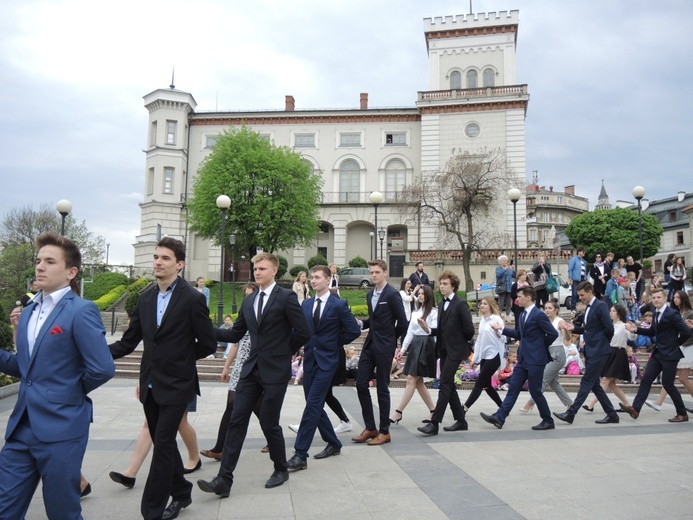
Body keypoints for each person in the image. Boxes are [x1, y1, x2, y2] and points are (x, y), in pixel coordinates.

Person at [1, 231, 115, 520]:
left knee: (62, 511)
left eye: (50, 261)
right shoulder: (27, 312)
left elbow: (102, 368)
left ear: (70, 272)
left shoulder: (81, 310)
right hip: (21, 428)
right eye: (39, 260)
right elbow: (26, 369)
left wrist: (66, 391)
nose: (40, 266)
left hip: (62, 428)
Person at [109, 237, 217, 520]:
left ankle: (151, 511)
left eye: (165, 258)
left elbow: (206, 344)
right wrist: (93, 354)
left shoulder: (192, 298)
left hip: (179, 384)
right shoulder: (145, 298)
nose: (158, 262)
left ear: (179, 265)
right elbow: (128, 343)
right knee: (162, 442)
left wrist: (178, 358)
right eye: (156, 257)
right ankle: (181, 491)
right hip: (151, 385)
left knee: (164, 443)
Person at [197, 252, 310, 498]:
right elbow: (235, 334)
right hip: (250, 370)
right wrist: (203, 329)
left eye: (262, 268)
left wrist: (283, 353)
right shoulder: (249, 301)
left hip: (275, 371)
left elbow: (303, 332)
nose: (257, 272)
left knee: (269, 423)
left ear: (274, 271)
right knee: (237, 420)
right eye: (255, 268)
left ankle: (281, 469)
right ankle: (223, 480)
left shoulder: (286, 297)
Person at [286, 265, 361, 471]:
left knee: (312, 405)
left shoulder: (338, 305)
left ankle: (300, 454)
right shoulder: (307, 304)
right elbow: (299, 330)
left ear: (328, 280)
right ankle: (334, 443)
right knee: (315, 405)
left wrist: (335, 343)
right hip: (309, 360)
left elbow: (354, 330)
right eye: (311, 277)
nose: (313, 280)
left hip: (328, 362)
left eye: (317, 277)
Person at [479, 287, 558, 431]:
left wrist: (540, 346)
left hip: (536, 359)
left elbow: (552, 333)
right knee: (513, 388)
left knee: (535, 391)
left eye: (520, 296)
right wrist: (501, 329)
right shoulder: (522, 314)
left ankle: (548, 420)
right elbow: (519, 334)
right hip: (523, 359)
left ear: (528, 297)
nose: (517, 299)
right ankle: (500, 417)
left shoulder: (538, 315)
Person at [351, 259, 409, 446]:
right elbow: (374, 319)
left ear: (385, 273)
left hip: (384, 347)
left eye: (377, 272)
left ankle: (385, 431)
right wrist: (362, 323)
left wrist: (392, 340)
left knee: (382, 388)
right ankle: (370, 427)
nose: (373, 275)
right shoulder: (370, 295)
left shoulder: (392, 295)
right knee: (360, 384)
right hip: (369, 345)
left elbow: (403, 322)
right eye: (371, 272)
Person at [200, 284, 259, 461]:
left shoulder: (264, 315)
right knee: (232, 403)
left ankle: (273, 440)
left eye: (251, 294)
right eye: (246, 295)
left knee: (261, 409)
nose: (248, 297)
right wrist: (227, 367)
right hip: (241, 364)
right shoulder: (244, 316)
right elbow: (235, 342)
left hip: (257, 365)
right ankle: (219, 448)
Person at [554, 281, 621, 426]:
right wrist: (574, 328)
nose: (581, 298)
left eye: (582, 295)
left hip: (599, 350)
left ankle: (571, 413)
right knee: (594, 385)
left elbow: (609, 328)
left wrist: (602, 342)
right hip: (591, 350)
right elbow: (590, 329)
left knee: (586, 381)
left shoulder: (600, 306)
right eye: (579, 295)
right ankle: (612, 414)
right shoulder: (589, 308)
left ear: (590, 292)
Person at [417, 271, 475, 435]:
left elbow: (469, 330)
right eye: (441, 284)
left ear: (453, 286)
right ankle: (461, 421)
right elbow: (442, 330)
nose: (441, 287)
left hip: (456, 350)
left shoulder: (460, 304)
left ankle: (434, 423)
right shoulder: (442, 304)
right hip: (443, 349)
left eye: (445, 284)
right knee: (449, 385)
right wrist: (428, 330)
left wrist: (458, 341)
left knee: (444, 383)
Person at [627, 288, 692, 422]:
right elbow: (652, 331)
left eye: (658, 297)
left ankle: (682, 414)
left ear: (665, 299)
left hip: (670, 355)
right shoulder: (656, 313)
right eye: (654, 298)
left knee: (668, 385)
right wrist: (637, 329)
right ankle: (635, 409)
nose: (656, 300)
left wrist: (675, 344)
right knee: (646, 380)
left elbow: (686, 332)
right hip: (658, 353)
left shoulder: (672, 313)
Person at [390, 285, 438, 425]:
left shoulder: (434, 312)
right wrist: (402, 350)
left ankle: (398, 412)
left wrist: (427, 329)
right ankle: (433, 410)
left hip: (427, 345)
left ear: (428, 296)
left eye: (423, 294)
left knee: (411, 379)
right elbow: (410, 332)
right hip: (416, 345)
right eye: (420, 293)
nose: (421, 296)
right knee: (418, 382)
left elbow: (435, 331)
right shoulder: (415, 312)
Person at [519, 299, 573, 413]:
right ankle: (569, 404)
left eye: (550, 308)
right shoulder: (544, 320)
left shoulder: (559, 321)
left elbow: (568, 339)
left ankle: (530, 403)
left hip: (557, 353)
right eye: (546, 308)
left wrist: (565, 330)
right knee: (553, 383)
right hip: (547, 353)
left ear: (556, 310)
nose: (547, 310)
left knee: (543, 379)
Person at [582, 305, 636, 413]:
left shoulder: (624, 325)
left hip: (618, 353)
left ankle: (591, 404)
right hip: (608, 352)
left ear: (619, 313)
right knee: (611, 384)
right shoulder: (609, 325)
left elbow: (632, 338)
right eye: (610, 311)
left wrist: (632, 331)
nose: (611, 313)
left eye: (613, 311)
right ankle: (628, 405)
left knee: (605, 380)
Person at [646, 291, 693, 411]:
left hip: (687, 346)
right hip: (675, 347)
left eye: (678, 297)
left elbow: (687, 332)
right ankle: (659, 402)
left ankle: (660, 402)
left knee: (682, 378)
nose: (676, 299)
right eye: (675, 297)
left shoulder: (689, 313)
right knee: (669, 378)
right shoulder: (674, 312)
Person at [461, 297, 505, 414]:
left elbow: (504, 337)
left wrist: (497, 330)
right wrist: (474, 358)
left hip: (494, 355)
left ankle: (465, 407)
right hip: (485, 356)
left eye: (485, 304)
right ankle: (503, 407)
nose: (482, 305)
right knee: (486, 385)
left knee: (480, 382)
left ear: (491, 306)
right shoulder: (482, 320)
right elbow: (479, 340)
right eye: (481, 304)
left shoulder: (496, 319)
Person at [495, 255, 515, 321]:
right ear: (500, 262)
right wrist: (504, 269)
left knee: (508, 303)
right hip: (501, 288)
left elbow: (514, 275)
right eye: (503, 261)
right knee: (501, 302)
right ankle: (499, 315)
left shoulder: (509, 269)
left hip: (509, 288)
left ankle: (507, 316)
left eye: (506, 261)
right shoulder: (498, 269)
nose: (505, 262)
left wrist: (513, 269)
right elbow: (498, 275)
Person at [568, 247, 587, 311]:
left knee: (580, 294)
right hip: (575, 279)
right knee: (574, 294)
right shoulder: (574, 259)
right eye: (583, 251)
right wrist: (571, 278)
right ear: (579, 252)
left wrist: (585, 278)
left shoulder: (584, 261)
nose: (584, 253)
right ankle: (573, 309)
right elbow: (570, 269)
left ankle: (579, 308)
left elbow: (584, 270)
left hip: (582, 279)